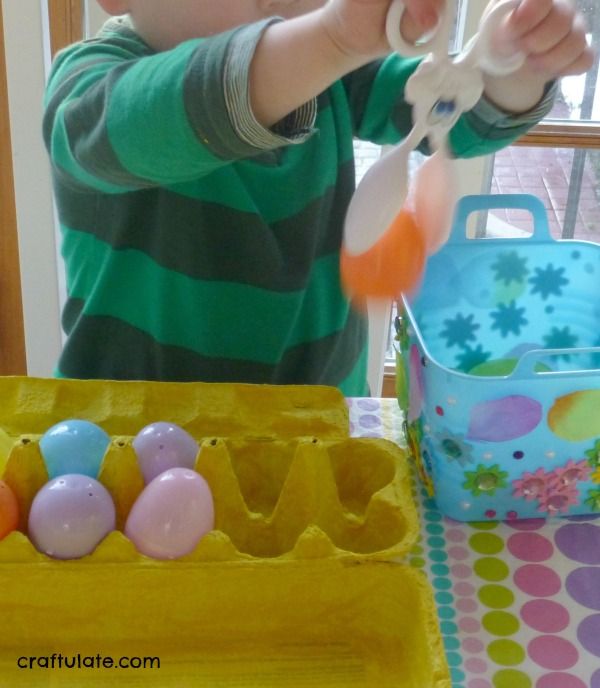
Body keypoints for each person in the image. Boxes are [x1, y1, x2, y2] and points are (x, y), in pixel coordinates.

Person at [43, 0, 593, 395]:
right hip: (131, 449)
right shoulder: (90, 87)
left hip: (318, 426)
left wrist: (512, 63)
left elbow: (456, 118)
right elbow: (165, 114)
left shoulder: (331, 79)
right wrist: (332, 39)